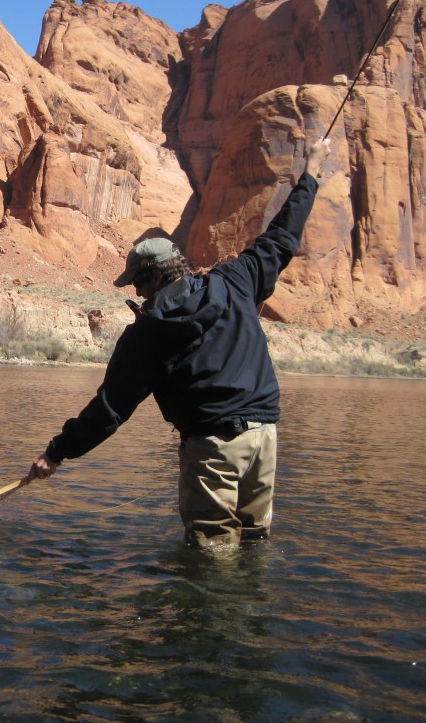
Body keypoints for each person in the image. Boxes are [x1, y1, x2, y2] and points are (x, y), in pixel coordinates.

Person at [25, 137, 333, 547]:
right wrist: (309, 172)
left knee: (213, 555)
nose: (138, 292)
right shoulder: (236, 279)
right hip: (265, 440)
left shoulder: (147, 333)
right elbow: (283, 235)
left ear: (150, 279)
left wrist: (56, 453)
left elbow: (109, 409)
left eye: (137, 283)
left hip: (212, 447)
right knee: (254, 543)